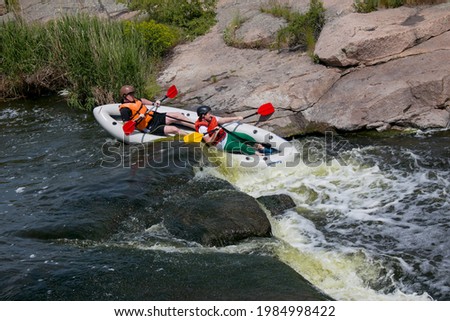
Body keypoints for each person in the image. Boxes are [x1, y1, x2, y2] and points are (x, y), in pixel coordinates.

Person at [119, 85, 195, 136]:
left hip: (155, 116)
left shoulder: (134, 100)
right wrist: (138, 118)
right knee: (174, 129)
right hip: (150, 126)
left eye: (133, 93)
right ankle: (192, 137)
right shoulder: (124, 110)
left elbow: (142, 100)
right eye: (130, 94)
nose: (133, 95)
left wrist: (153, 103)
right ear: (124, 96)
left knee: (177, 115)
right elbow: (126, 125)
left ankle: (197, 127)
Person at [195, 105, 264, 156]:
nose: (210, 114)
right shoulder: (202, 128)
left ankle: (258, 146)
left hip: (226, 135)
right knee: (242, 146)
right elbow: (209, 141)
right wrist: (215, 133)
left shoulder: (210, 118)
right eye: (209, 113)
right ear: (203, 115)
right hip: (222, 144)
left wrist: (236, 118)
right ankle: (257, 154)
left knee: (245, 136)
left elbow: (223, 120)